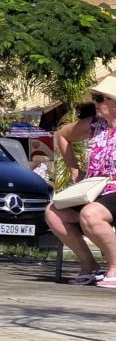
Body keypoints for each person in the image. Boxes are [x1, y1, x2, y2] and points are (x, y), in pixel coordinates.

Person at [45, 76, 117, 287]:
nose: (94, 102)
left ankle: (115, 266)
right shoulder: (95, 125)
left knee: (90, 214)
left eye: (99, 98)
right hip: (96, 188)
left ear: (114, 102)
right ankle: (89, 265)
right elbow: (62, 136)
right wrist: (75, 169)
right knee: (54, 212)